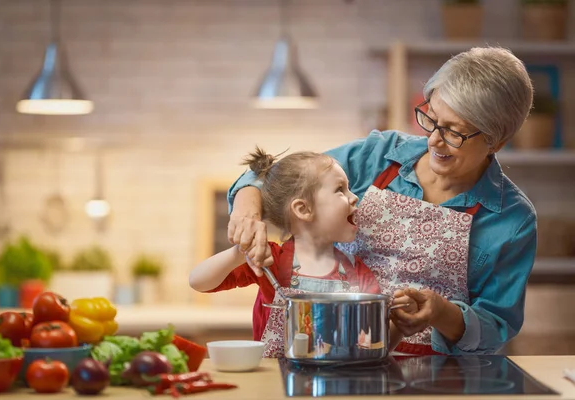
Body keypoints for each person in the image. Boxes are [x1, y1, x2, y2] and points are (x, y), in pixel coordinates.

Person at [226, 46, 536, 356]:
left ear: (497, 140)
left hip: (434, 378)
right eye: (431, 119)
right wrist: (247, 210)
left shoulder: (512, 218)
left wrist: (442, 313)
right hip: (334, 356)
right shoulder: (377, 155)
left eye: (454, 132)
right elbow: (271, 177)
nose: (434, 140)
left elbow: (497, 326)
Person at [189, 148, 413, 357]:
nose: (354, 197)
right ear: (303, 209)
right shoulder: (271, 260)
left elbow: (371, 345)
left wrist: (401, 327)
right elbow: (199, 282)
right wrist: (239, 252)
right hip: (274, 385)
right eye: (340, 190)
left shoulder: (356, 271)